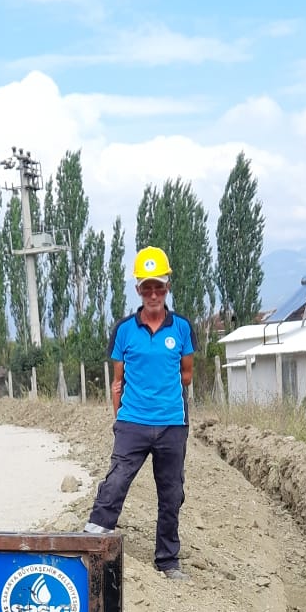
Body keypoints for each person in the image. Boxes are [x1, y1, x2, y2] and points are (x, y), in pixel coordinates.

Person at [84, 246, 195, 578]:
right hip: (132, 422)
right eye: (146, 287)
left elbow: (186, 374)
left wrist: (164, 397)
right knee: (116, 480)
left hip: (172, 425)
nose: (153, 294)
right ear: (138, 290)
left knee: (171, 492)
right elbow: (117, 381)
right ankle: (94, 539)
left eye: (158, 286)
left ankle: (167, 560)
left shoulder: (181, 328)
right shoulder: (124, 330)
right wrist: (120, 418)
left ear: (167, 288)